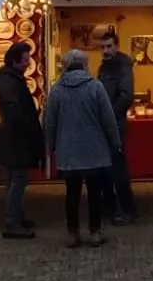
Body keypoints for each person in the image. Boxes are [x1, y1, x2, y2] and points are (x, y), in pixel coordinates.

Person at [44, 48, 122, 248]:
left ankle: (73, 232)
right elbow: (108, 118)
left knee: (72, 192)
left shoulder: (57, 89)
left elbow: (50, 121)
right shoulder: (95, 87)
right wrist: (115, 141)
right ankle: (95, 232)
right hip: (94, 148)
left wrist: (49, 146)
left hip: (68, 149)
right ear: (85, 64)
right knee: (95, 192)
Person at [0, 42, 40, 239]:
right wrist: (28, 127)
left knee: (16, 179)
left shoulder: (11, 79)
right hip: (16, 139)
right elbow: (14, 110)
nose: (29, 62)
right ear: (16, 60)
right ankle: (12, 221)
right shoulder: (10, 81)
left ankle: (16, 216)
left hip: (15, 138)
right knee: (18, 179)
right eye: (26, 58)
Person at [97, 29, 137, 224]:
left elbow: (126, 96)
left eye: (109, 46)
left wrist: (108, 115)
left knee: (118, 169)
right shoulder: (104, 67)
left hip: (116, 125)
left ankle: (128, 210)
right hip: (103, 125)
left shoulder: (123, 64)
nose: (105, 50)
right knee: (105, 167)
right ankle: (110, 206)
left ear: (117, 46)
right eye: (103, 47)